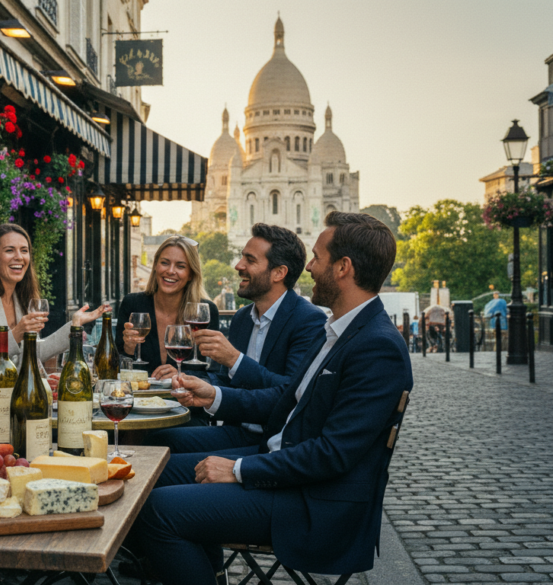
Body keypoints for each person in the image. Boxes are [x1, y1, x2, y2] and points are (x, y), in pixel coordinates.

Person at [133, 212, 413, 585]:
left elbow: (333, 454)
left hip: (312, 502)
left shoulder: (377, 345)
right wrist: (212, 395)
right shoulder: (338, 330)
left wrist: (237, 470)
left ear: (343, 267)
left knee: (157, 510)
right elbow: (284, 402)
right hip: (280, 462)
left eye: (317, 257)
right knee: (155, 469)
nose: (309, 267)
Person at [145, 224, 326, 453]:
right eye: (242, 258)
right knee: (154, 441)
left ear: (279, 273)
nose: (238, 266)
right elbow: (225, 381)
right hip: (237, 432)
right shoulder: (242, 317)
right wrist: (191, 380)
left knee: (161, 466)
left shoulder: (308, 321)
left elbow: (290, 393)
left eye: (249, 260)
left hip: (274, 444)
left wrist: (234, 360)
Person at [0, 223, 107, 364]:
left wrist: (75, 324)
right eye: (9, 250)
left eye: (24, 250)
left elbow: (34, 353)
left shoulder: (21, 297)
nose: (19, 257)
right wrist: (17, 333)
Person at [115, 235, 219, 377]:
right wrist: (128, 349)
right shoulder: (132, 304)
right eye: (165, 263)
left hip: (184, 397)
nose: (170, 271)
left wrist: (181, 374)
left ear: (191, 274)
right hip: (141, 396)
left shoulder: (205, 311)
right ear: (155, 267)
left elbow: (213, 372)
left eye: (180, 266)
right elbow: (116, 367)